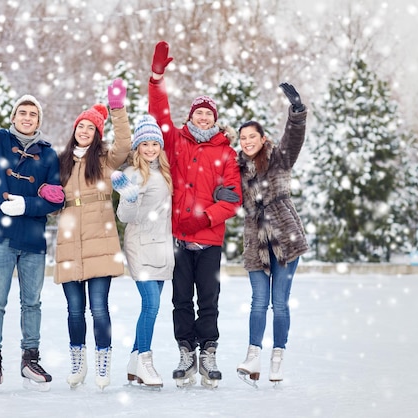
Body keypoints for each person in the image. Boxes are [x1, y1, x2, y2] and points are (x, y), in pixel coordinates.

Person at [147, 41, 242, 388]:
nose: (203, 117)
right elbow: (159, 116)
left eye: (209, 113)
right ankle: (186, 350)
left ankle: (209, 352)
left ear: (216, 120)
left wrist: (203, 219)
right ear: (191, 115)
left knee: (210, 300)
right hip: (177, 238)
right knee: (180, 298)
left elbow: (231, 199)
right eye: (199, 112)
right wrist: (156, 79)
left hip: (208, 238)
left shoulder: (227, 154)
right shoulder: (176, 141)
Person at [0, 46, 64, 391]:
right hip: (0, 237)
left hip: (33, 240)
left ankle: (30, 359)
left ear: (39, 121)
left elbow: (55, 198)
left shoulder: (49, 155)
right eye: (22, 113)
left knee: (32, 302)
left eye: (33, 114)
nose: (27, 118)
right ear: (13, 118)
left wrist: (26, 205)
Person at [53, 78, 131, 390]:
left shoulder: (103, 160)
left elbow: (124, 144)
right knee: (74, 311)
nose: (84, 131)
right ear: (74, 130)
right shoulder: (60, 162)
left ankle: (102, 362)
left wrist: (117, 110)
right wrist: (46, 192)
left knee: (99, 308)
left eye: (90, 128)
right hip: (70, 243)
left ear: (97, 134)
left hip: (100, 241)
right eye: (80, 127)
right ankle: (78, 364)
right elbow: (47, 195)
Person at [235, 83, 309, 387]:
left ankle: (277, 359)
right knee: (257, 302)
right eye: (243, 137)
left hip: (285, 238)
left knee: (280, 303)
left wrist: (297, 111)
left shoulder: (279, 158)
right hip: (255, 240)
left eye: (253, 136)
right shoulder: (235, 167)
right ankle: (252, 357)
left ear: (262, 138)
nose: (248, 141)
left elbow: (294, 138)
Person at [110, 115, 174, 388]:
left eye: (154, 144)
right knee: (151, 306)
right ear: (136, 148)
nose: (150, 149)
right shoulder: (132, 175)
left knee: (152, 307)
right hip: (140, 246)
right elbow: (124, 215)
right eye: (144, 144)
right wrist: (130, 197)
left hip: (161, 247)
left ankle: (134, 361)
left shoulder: (164, 173)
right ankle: (145, 361)